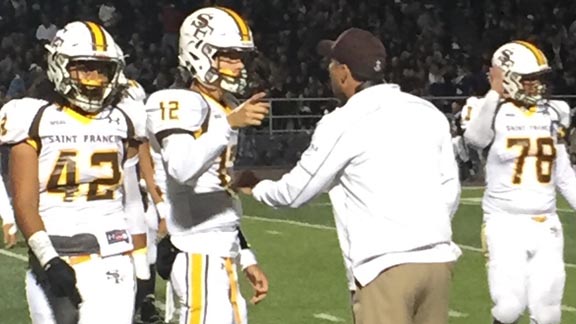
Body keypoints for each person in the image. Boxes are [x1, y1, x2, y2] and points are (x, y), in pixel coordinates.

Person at [248, 27, 461, 324]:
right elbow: (450, 189)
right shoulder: (428, 112)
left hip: (383, 267)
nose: (329, 72)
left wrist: (257, 187)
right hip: (438, 260)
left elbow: (296, 192)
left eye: (332, 65)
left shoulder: (344, 121)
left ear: (345, 73)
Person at [0, 21, 149, 323]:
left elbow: (132, 192)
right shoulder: (31, 117)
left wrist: (142, 262)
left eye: (101, 69)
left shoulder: (125, 117)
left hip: (111, 253)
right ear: (60, 66)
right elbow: (25, 202)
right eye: (84, 67)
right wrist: (48, 259)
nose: (94, 78)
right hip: (51, 252)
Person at [146, 7, 270, 324]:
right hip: (195, 249)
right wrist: (228, 124)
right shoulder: (177, 102)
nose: (240, 65)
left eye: (241, 57)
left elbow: (217, 192)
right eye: (229, 56)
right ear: (201, 54)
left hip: (219, 249)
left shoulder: (222, 106)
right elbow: (181, 169)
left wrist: (246, 256)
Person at [464, 41, 576, 324]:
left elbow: (562, 174)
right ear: (508, 79)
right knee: (509, 307)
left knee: (549, 312)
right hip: (504, 222)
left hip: (546, 222)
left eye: (539, 79)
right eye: (529, 80)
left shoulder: (552, 113)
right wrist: (494, 92)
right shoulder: (489, 109)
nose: (537, 86)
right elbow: (475, 139)